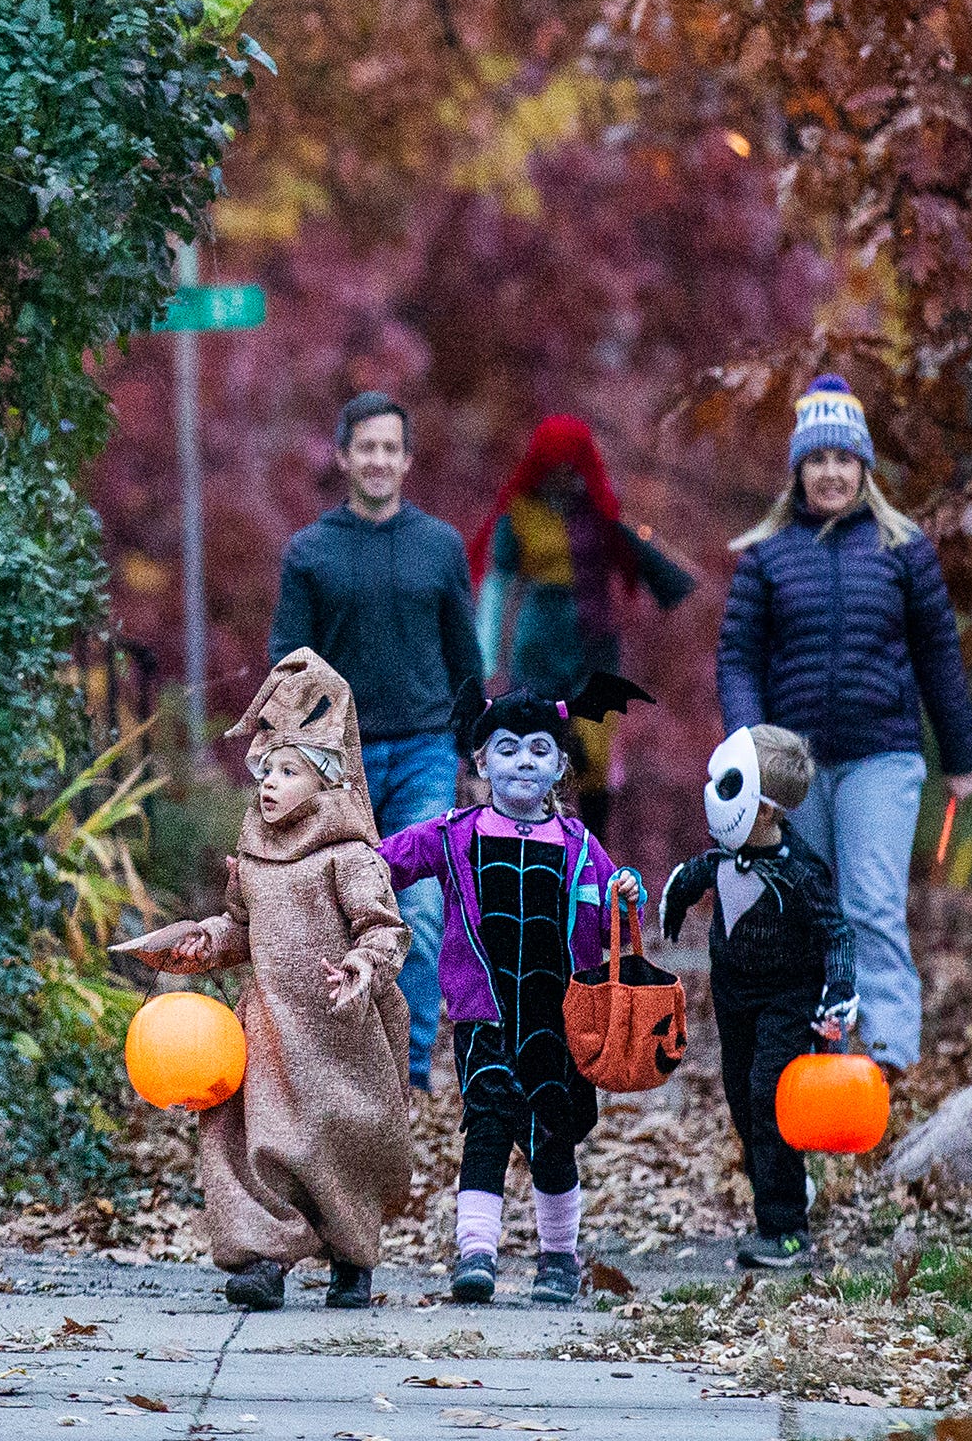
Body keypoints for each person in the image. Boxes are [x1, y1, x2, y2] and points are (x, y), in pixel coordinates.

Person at [113, 651, 417, 1313]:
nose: (270, 785)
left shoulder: (348, 857)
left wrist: (364, 964)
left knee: (339, 1144)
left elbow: (386, 930)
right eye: (266, 771)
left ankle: (351, 1255)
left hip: (339, 1036)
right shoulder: (253, 857)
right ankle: (265, 1259)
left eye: (289, 771)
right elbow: (239, 927)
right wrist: (204, 940)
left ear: (328, 782)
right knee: (250, 1140)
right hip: (269, 1030)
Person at [716, 375, 972, 1080]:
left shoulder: (904, 550)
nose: (831, 473)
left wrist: (959, 752)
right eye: (817, 459)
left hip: (881, 758)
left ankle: (890, 1049)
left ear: (865, 468)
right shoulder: (766, 560)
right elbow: (738, 657)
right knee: (806, 907)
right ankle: (817, 1047)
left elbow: (938, 656)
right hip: (792, 772)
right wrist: (748, 747)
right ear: (798, 470)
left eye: (844, 459)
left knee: (870, 903)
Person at [380, 677, 649, 1307]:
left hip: (561, 1016)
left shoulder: (582, 847)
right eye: (505, 749)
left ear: (559, 764)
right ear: (479, 763)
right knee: (489, 1125)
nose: (521, 761)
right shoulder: (453, 836)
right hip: (486, 1015)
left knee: (553, 1134)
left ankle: (559, 1258)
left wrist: (627, 893)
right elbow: (383, 862)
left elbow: (617, 912)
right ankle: (476, 1253)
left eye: (536, 749)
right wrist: (331, 870)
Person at [268, 391, 482, 1091]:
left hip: (424, 749)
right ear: (343, 456)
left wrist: (476, 753)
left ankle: (410, 1072)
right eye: (367, 447)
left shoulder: (440, 548)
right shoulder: (310, 553)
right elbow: (287, 668)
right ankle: (342, 1067)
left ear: (408, 459)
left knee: (416, 907)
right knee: (338, 911)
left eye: (392, 448)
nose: (380, 459)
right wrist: (283, 760)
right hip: (335, 760)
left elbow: (464, 660)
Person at [660, 725, 857, 1270]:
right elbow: (697, 873)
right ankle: (784, 1183)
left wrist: (838, 991)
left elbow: (836, 933)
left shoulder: (801, 872)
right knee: (743, 1099)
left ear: (764, 811)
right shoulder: (725, 855)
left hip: (787, 998)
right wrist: (678, 894)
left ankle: (786, 1228)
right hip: (733, 995)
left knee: (772, 1100)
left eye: (729, 786)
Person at [470, 416, 697, 842]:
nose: (562, 475)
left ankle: (594, 860)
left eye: (571, 464)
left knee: (594, 758)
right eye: (554, 464)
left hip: (594, 646)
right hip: (538, 646)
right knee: (534, 749)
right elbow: (497, 584)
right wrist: (484, 656)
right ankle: (530, 843)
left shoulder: (599, 511)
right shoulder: (520, 511)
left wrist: (668, 577)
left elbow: (635, 551)